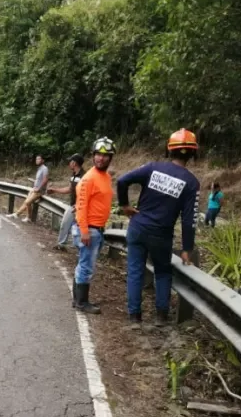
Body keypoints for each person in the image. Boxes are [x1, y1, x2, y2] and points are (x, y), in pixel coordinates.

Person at [117, 128, 201, 328]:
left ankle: (134, 317)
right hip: (161, 235)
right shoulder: (191, 183)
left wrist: (125, 205)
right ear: (192, 153)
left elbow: (122, 181)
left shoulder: (152, 168)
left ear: (169, 149)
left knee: (135, 271)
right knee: (163, 272)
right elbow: (189, 220)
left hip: (138, 227)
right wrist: (187, 249)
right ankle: (161, 316)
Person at [71, 139, 115, 314]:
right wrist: (84, 231)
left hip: (97, 228)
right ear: (93, 156)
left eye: (105, 155)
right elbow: (81, 206)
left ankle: (78, 300)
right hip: (89, 229)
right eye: (98, 154)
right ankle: (82, 302)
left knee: (83, 264)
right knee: (86, 266)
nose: (101, 158)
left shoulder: (105, 177)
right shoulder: (88, 179)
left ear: (110, 158)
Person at [48, 154, 86, 251]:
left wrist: (79, 205)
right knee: (65, 224)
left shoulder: (84, 176)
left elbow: (86, 193)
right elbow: (69, 189)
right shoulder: (73, 175)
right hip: (72, 206)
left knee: (79, 230)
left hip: (80, 207)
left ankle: (82, 250)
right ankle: (61, 245)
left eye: (70, 161)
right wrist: (55, 190)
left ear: (74, 163)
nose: (69, 163)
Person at [6, 155, 49, 223]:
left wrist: (39, 188)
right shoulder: (39, 169)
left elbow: (45, 180)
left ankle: (21, 215)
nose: (37, 160)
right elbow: (39, 180)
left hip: (39, 191)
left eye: (39, 159)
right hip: (35, 189)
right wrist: (34, 185)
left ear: (42, 160)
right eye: (36, 159)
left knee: (27, 202)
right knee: (26, 202)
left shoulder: (44, 168)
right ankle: (19, 215)